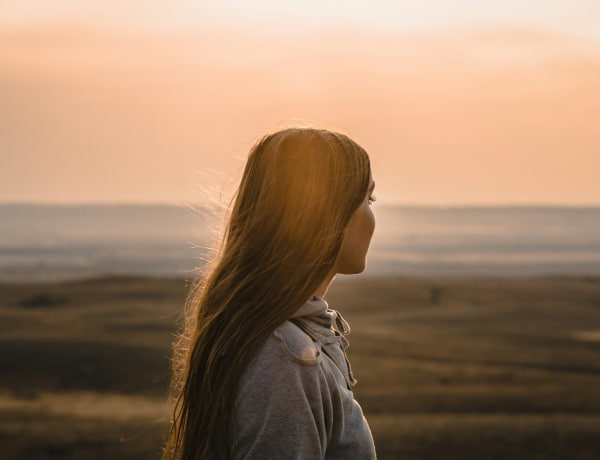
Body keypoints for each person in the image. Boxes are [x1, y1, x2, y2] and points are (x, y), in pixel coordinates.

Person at [163, 127, 377, 459]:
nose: (372, 215)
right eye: (368, 198)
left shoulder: (283, 340)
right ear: (327, 211)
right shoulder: (287, 358)